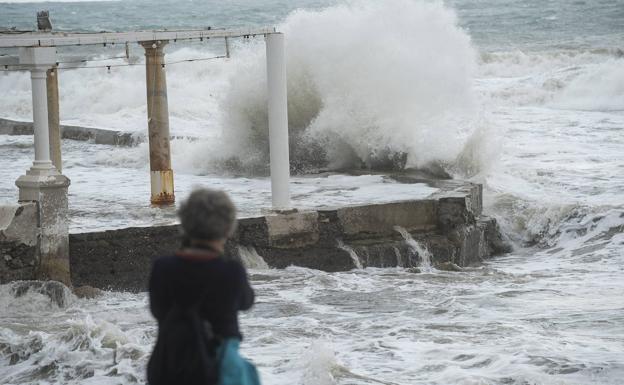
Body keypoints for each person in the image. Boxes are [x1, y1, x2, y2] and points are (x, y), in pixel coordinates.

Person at [147, 188, 260, 385]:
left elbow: (158, 311)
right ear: (228, 228)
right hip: (219, 368)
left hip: (169, 365)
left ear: (185, 223)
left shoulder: (162, 268)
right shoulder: (231, 272)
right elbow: (246, 301)